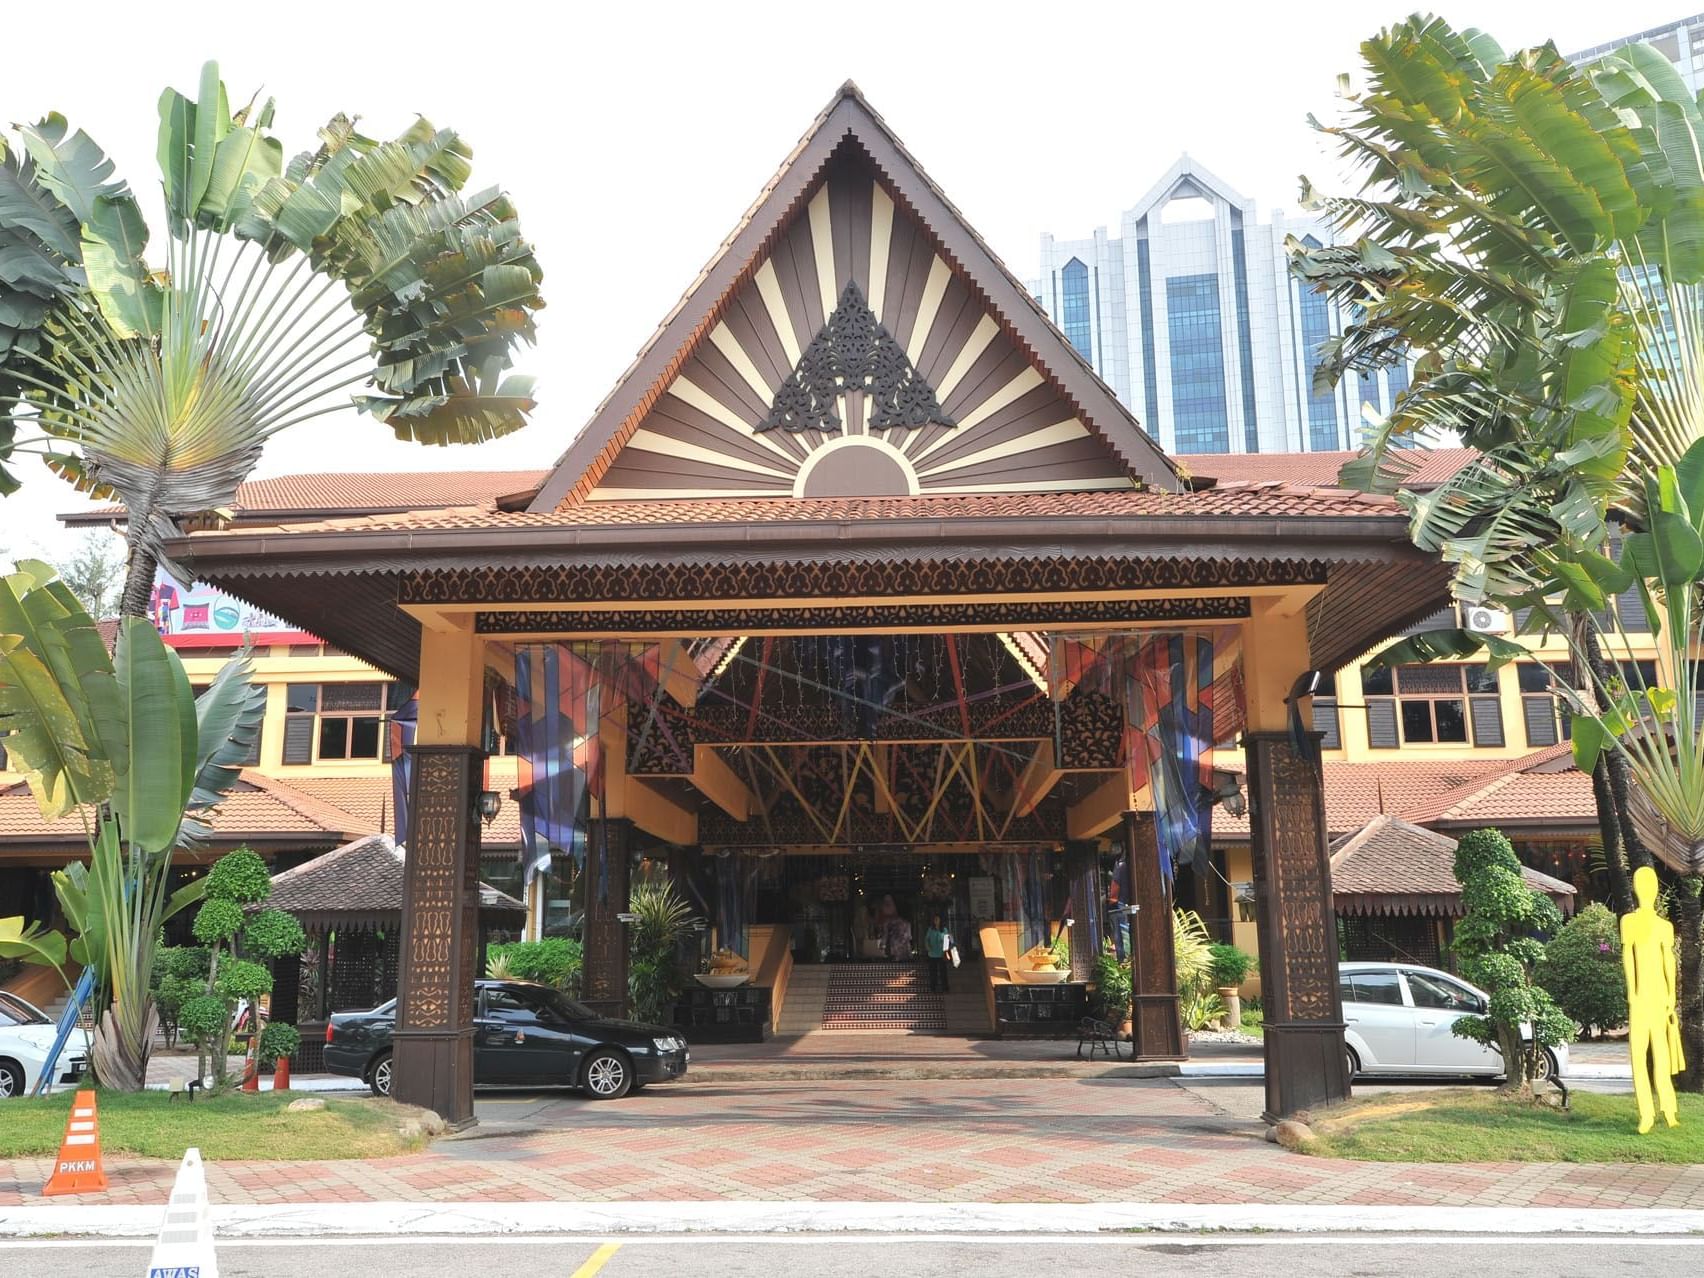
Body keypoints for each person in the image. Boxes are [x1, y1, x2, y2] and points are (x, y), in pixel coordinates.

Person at [1623, 865, 1683, 1134]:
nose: (1646, 890)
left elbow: (1669, 960)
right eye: (1642, 885)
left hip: (1659, 998)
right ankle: (1646, 1113)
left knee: (1662, 1055)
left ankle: (1669, 1109)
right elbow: (1628, 958)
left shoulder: (1664, 926)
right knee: (1638, 1054)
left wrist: (1671, 994)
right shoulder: (1629, 922)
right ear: (1636, 890)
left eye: (1650, 885)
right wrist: (1632, 992)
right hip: (1640, 999)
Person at [924, 913, 952, 993]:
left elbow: (947, 941)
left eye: (938, 919)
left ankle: (945, 987)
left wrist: (946, 951)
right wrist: (928, 947)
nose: (936, 921)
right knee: (933, 972)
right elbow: (927, 939)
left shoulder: (944, 930)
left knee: (943, 972)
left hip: (941, 954)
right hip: (932, 954)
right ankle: (933, 987)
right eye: (935, 919)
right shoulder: (930, 929)